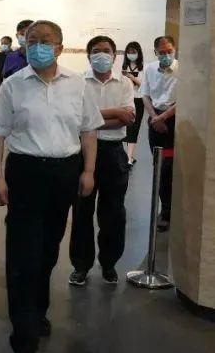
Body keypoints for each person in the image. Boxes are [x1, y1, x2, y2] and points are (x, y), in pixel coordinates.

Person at [0, 20, 102, 353]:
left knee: (49, 250)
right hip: (25, 172)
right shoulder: (13, 85)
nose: (37, 46)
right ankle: (24, 341)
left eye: (45, 41)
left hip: (64, 172)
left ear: (60, 47)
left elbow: (89, 130)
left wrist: (88, 171)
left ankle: (38, 312)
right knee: (23, 256)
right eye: (32, 40)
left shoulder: (78, 85)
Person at [69, 36, 135, 287]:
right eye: (96, 51)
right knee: (81, 211)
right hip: (83, 151)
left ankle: (109, 263)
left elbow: (127, 119)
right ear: (88, 56)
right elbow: (77, 118)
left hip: (113, 152)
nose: (101, 55)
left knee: (114, 212)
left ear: (114, 55)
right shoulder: (78, 82)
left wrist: (93, 119)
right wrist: (114, 112)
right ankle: (81, 265)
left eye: (106, 51)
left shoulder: (124, 83)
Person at [141, 35, 178, 231]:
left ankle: (169, 211)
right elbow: (145, 95)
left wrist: (163, 117)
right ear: (155, 52)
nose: (166, 55)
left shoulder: (182, 69)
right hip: (155, 122)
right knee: (159, 166)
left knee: (169, 168)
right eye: (162, 53)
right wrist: (155, 118)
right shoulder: (149, 69)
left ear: (175, 49)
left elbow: (185, 98)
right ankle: (164, 208)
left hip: (172, 122)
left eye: (169, 51)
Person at [120, 40, 146, 166]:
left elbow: (144, 85)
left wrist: (132, 77)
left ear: (138, 53)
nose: (131, 54)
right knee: (125, 126)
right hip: (125, 100)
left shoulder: (143, 68)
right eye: (129, 52)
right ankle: (127, 155)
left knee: (134, 127)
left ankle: (129, 157)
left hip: (138, 99)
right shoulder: (124, 67)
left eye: (133, 52)